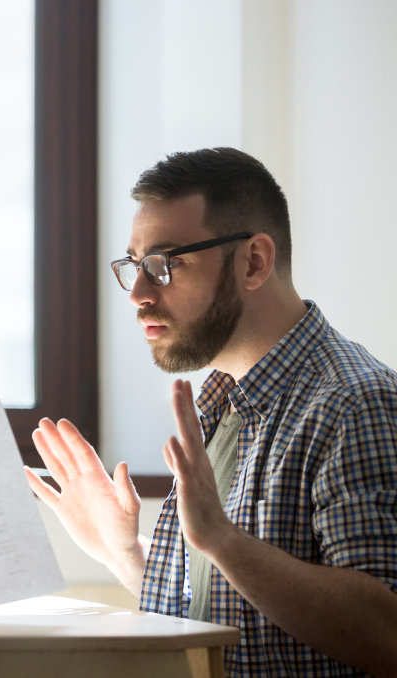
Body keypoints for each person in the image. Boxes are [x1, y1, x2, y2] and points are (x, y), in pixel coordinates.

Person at [25, 148, 397, 676]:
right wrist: (125, 552)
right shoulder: (225, 400)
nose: (137, 293)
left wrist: (222, 540)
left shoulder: (353, 402)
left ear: (253, 262)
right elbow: (229, 612)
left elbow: (386, 634)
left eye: (164, 264)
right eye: (134, 264)